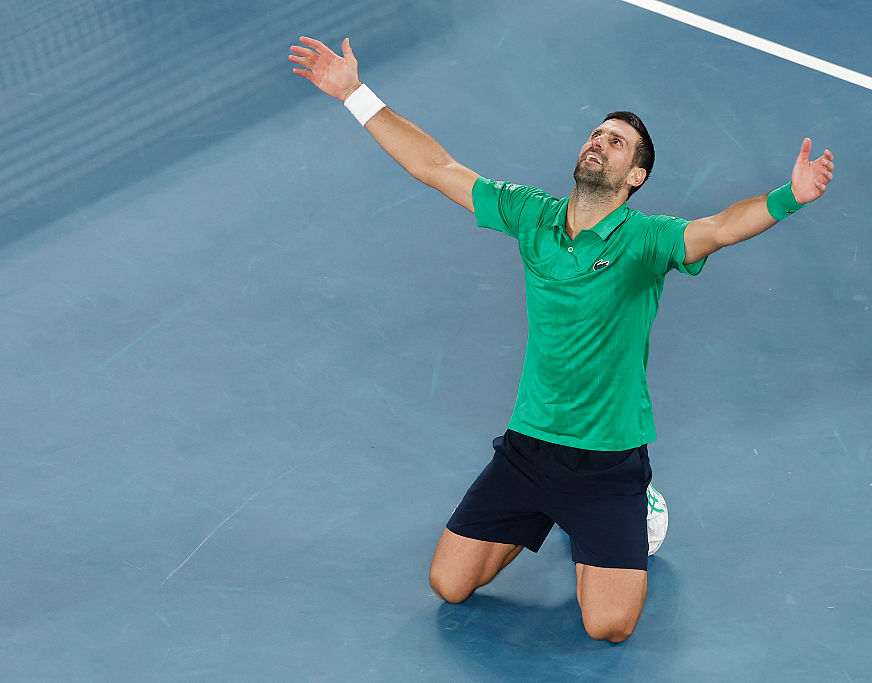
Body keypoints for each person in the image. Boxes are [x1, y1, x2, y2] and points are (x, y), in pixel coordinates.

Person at [289, 36, 834, 643]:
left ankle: (638, 509)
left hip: (608, 463)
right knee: (449, 585)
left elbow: (720, 229)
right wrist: (355, 95)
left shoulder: (646, 240)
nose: (599, 142)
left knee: (607, 625)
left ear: (636, 175)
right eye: (597, 134)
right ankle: (548, 516)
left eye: (616, 141)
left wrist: (790, 197)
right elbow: (435, 167)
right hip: (529, 449)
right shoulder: (532, 215)